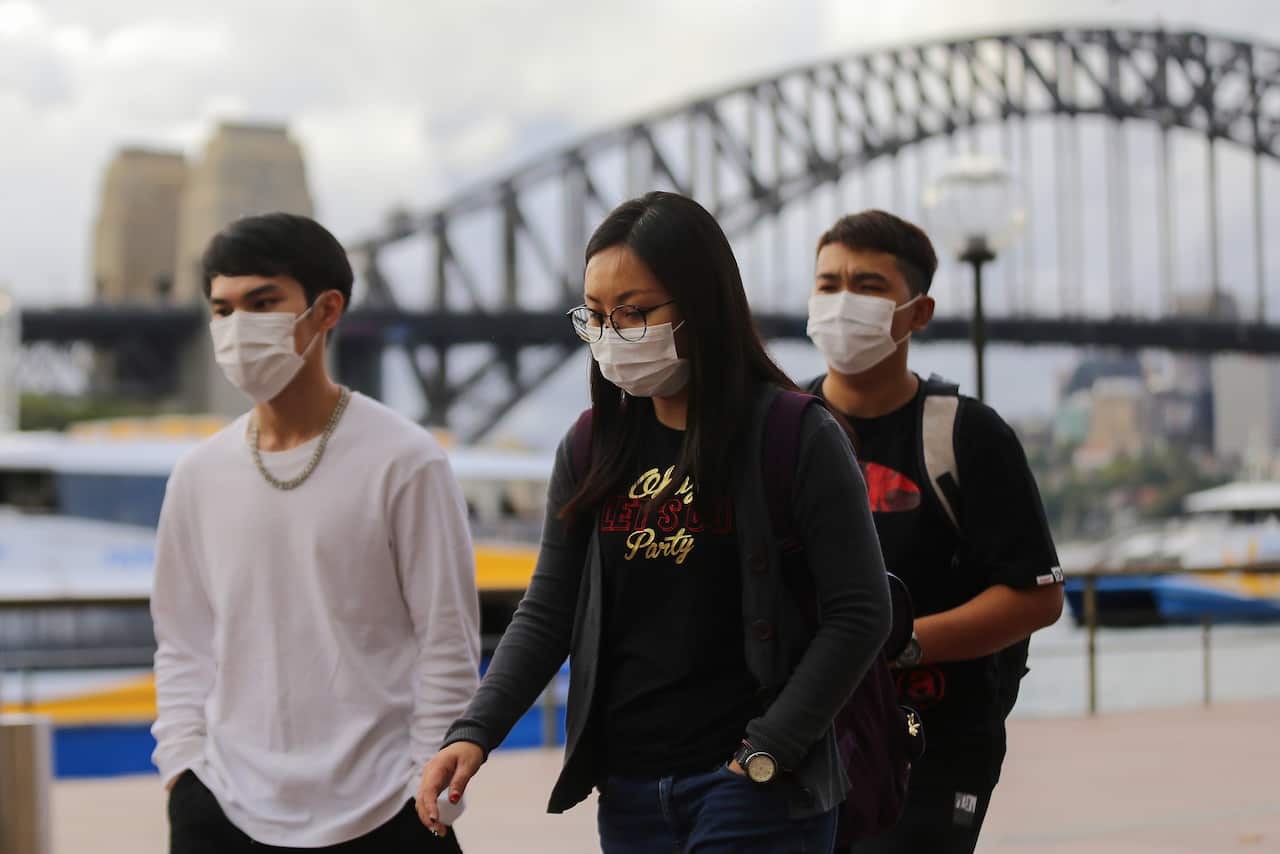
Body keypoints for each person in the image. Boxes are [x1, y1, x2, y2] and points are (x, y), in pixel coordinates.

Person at [416, 191, 891, 853]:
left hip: (752, 791)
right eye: (597, 317)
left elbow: (861, 610)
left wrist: (770, 749)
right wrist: (473, 731)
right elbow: (548, 610)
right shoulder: (590, 448)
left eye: (635, 313)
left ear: (701, 305)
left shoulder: (793, 435)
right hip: (632, 793)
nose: (612, 336)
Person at [150, 212, 481, 853]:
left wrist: (427, 786)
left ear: (326, 310)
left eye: (263, 302)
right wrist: (181, 770)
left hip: (387, 808)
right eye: (222, 308)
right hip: (221, 807)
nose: (237, 326)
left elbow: (447, 641)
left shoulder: (406, 460)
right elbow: (181, 640)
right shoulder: (197, 474)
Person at [803, 210, 1064, 853]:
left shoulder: (969, 436)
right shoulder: (784, 427)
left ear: (919, 313)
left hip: (935, 742)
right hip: (804, 736)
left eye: (867, 286)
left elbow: (1037, 595)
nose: (842, 303)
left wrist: (899, 644)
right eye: (827, 283)